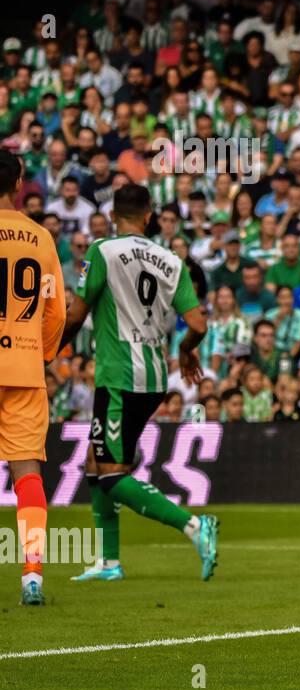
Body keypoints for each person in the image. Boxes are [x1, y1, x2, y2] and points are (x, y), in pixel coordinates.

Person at [58, 183, 219, 581]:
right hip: (155, 375)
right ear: (149, 216)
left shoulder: (102, 251)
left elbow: (76, 315)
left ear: (113, 215)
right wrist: (185, 350)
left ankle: (194, 526)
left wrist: (49, 349)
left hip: (119, 376)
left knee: (111, 473)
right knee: (96, 464)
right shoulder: (172, 260)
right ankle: (109, 562)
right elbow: (198, 324)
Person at [0, 148, 66, 605]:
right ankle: (32, 573)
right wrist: (40, 352)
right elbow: (55, 309)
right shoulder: (40, 237)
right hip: (23, 366)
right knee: (28, 475)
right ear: (18, 184)